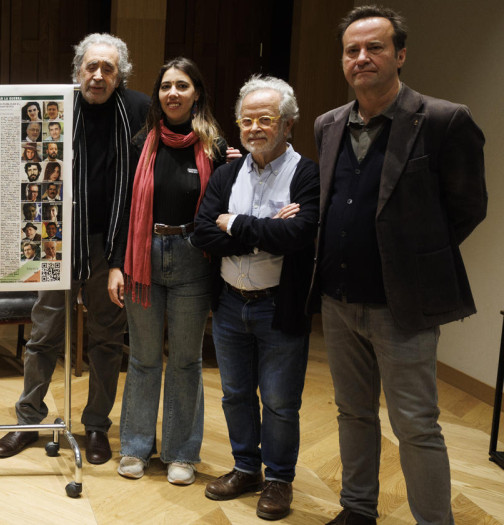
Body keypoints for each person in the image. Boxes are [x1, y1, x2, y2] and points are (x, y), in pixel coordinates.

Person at [310, 7, 485, 525]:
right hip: (339, 301)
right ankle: (358, 509)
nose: (361, 58)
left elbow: (468, 207)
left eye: (375, 47)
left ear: (400, 54)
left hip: (403, 306)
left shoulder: (442, 120)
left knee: (416, 424)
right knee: (353, 412)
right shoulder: (328, 125)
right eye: (351, 50)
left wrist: (411, 258)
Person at [0, 32, 150, 466]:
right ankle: (28, 419)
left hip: (109, 244)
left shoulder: (138, 110)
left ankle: (97, 425)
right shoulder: (54, 105)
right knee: (44, 334)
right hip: (55, 240)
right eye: (91, 67)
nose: (98, 76)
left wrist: (220, 153)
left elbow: (175, 145)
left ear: (120, 77)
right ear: (78, 70)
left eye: (108, 69)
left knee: (105, 338)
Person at [191, 75, 320, 521]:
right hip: (229, 304)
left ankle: (279, 478)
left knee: (281, 400)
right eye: (247, 120)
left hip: (277, 305)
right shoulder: (227, 173)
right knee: (236, 394)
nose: (254, 128)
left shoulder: (307, 174)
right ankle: (246, 467)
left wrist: (237, 224)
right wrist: (267, 232)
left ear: (288, 125)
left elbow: (300, 235)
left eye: (266, 119)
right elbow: (202, 231)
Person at [114, 57, 229, 486]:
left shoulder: (216, 147)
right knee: (143, 359)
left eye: (182, 86)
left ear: (196, 92)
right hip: (142, 256)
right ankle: (135, 447)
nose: (173, 94)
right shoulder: (141, 142)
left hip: (192, 258)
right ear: (158, 94)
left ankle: (181, 452)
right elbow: (123, 210)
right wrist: (116, 265)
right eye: (166, 86)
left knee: (185, 360)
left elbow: (226, 205)